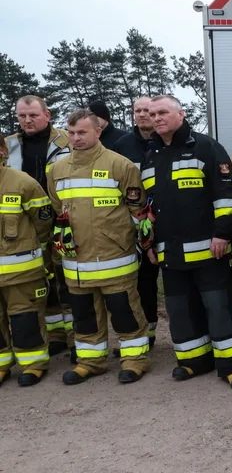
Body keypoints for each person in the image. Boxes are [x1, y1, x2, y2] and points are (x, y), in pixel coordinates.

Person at [142, 94, 232, 390]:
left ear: (181, 114)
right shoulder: (150, 155)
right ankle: (193, 361)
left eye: (163, 112)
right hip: (169, 253)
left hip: (208, 250)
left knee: (219, 308)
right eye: (152, 114)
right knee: (179, 311)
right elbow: (147, 208)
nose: (157, 118)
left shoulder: (206, 147)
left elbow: (226, 196)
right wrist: (148, 243)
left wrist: (223, 233)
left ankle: (231, 366)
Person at [47, 109, 150, 385]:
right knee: (83, 315)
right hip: (76, 260)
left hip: (114, 257)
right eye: (71, 133)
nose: (75, 138)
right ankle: (91, 362)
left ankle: (134, 359)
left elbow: (137, 211)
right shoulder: (56, 170)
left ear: (97, 132)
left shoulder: (121, 166)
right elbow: (59, 209)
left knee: (125, 311)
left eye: (81, 132)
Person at [7, 95, 73, 357]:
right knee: (41, 283)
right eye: (22, 116)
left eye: (33, 115)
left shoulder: (67, 140)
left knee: (67, 282)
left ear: (47, 114)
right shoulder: (10, 145)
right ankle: (56, 335)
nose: (27, 120)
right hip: (25, 225)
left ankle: (77, 337)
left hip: (62, 220)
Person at [0, 139, 53, 387]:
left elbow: (43, 223)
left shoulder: (23, 183)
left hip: (21, 272)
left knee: (25, 319)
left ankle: (33, 365)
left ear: (1, 151)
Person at [115, 96, 160, 349]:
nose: (142, 114)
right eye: (138, 110)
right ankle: (148, 333)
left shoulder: (168, 141)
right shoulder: (122, 146)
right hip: (135, 224)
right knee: (142, 282)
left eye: (147, 110)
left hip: (168, 220)